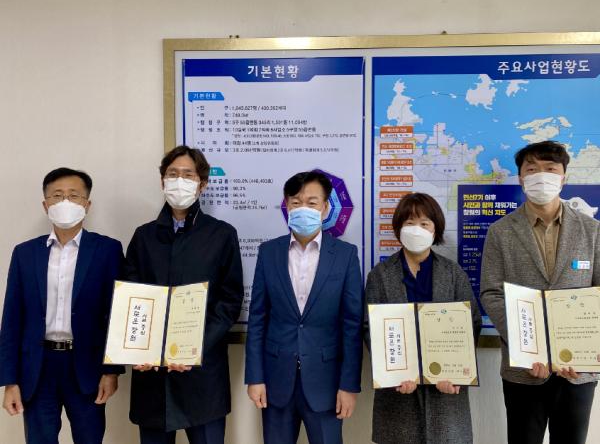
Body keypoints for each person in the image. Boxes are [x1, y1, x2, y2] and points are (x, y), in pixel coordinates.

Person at [480, 140, 599, 444]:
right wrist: (527, 346)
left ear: (563, 177)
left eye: (550, 169)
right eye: (532, 169)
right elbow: (491, 293)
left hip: (577, 370)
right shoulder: (500, 232)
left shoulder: (592, 230)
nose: (541, 176)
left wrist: (589, 347)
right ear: (521, 178)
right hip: (523, 369)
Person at [123, 146, 243, 444]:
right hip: (152, 375)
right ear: (162, 181)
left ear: (203, 183)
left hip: (202, 375)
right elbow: (130, 298)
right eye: (172, 174)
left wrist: (194, 347)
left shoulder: (222, 234)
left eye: (188, 175)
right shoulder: (144, 236)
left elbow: (229, 301)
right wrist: (139, 349)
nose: (179, 181)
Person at [0, 168, 124, 444]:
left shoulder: (108, 250)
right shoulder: (24, 253)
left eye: (74, 196)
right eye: (57, 196)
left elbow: (115, 314)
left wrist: (111, 370)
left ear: (87, 204)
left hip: (87, 367)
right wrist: (9, 380)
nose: (65, 202)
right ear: (46, 205)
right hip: (37, 368)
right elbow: (12, 319)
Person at [245, 171, 363, 444]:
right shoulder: (269, 252)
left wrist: (349, 385)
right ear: (286, 206)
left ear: (325, 208)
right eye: (296, 202)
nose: (303, 209)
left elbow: (352, 325)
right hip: (275, 381)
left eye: (312, 203)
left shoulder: (345, 255)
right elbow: (258, 318)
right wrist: (255, 378)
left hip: (326, 383)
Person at [366, 192, 481, 444]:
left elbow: (471, 322)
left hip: (446, 395)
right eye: (409, 223)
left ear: (435, 229)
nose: (416, 230)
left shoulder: (453, 273)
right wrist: (391, 373)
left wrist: (457, 371)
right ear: (398, 228)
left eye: (424, 223)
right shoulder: (380, 275)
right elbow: (369, 328)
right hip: (398, 397)